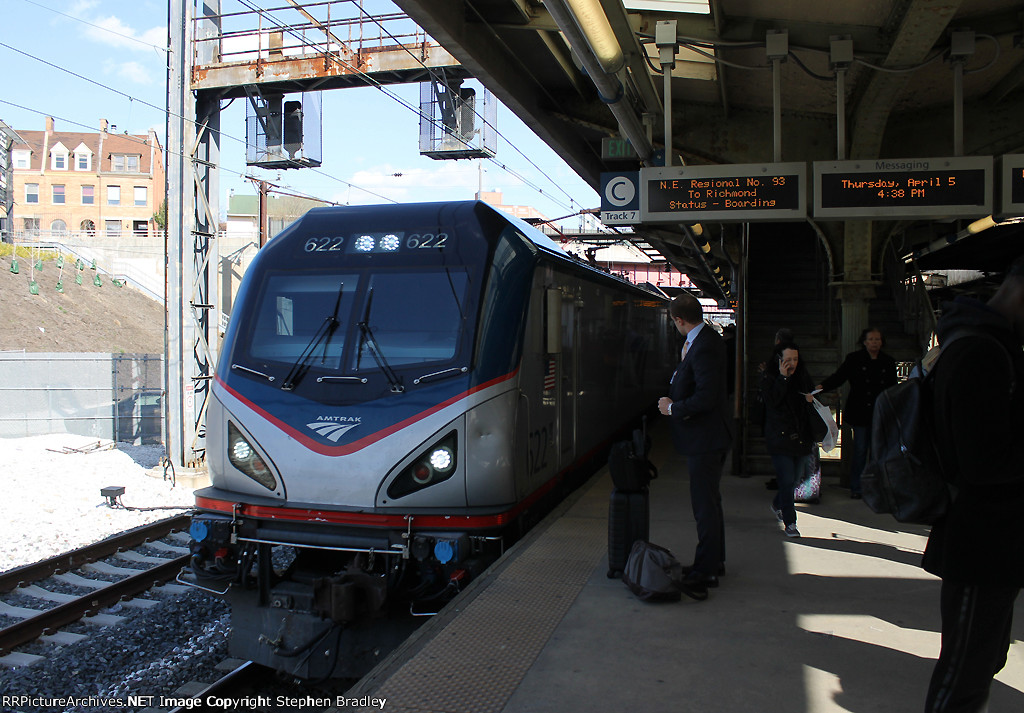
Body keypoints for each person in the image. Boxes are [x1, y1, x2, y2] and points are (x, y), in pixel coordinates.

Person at [921, 260, 1024, 712]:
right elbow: (983, 463)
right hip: (983, 540)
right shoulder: (982, 354)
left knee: (980, 662)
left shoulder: (978, 345)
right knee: (963, 674)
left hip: (993, 539)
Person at [657, 293, 732, 597]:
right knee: (710, 503)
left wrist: (673, 408)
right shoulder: (702, 342)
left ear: (679, 320)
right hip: (707, 437)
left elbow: (706, 397)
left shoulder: (704, 347)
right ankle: (714, 562)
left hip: (706, 438)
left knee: (704, 506)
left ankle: (705, 572)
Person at [816, 327, 897, 498]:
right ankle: (857, 487)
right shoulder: (854, 359)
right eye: (871, 339)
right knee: (860, 449)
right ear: (864, 342)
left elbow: (892, 388)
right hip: (860, 410)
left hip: (879, 412)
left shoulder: (888, 361)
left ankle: (875, 487)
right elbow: (840, 377)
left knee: (877, 452)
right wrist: (821, 387)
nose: (875, 342)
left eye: (877, 339)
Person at [760, 341, 815, 537]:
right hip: (779, 437)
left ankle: (778, 503)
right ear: (779, 360)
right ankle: (790, 523)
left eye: (795, 359)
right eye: (788, 360)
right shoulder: (770, 377)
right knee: (786, 479)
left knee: (794, 480)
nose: (792, 363)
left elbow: (808, 403)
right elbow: (772, 402)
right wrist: (783, 379)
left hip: (801, 437)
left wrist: (810, 398)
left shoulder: (803, 376)